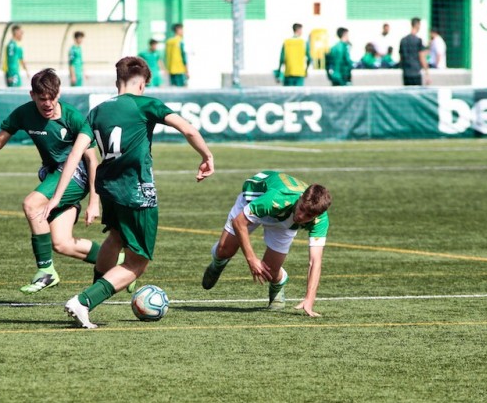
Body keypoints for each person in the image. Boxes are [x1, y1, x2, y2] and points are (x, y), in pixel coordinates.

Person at [42, 56, 214, 329]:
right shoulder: (146, 104)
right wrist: (206, 156)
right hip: (137, 192)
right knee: (138, 261)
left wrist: (55, 197)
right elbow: (188, 129)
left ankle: (95, 295)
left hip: (108, 189)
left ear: (116, 82)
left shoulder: (97, 111)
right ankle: (84, 301)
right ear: (143, 84)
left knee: (116, 237)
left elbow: (76, 154)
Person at [0, 69, 102, 294]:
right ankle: (117, 261)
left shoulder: (72, 117)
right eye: (42, 99)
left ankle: (46, 271)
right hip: (52, 175)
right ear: (32, 95)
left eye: (52, 97)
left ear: (58, 94)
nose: (47, 103)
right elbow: (0, 140)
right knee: (62, 243)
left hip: (76, 175)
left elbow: (92, 160)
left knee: (31, 204)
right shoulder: (24, 113)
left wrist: (94, 202)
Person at [201, 171, 332, 317]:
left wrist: (309, 298)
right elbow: (239, 223)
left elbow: (315, 261)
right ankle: (218, 263)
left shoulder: (320, 219)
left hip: (284, 222)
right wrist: (251, 259)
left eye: (309, 215)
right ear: (301, 198)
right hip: (254, 203)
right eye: (302, 209)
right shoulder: (277, 197)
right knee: (224, 251)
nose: (301, 217)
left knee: (269, 271)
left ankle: (279, 282)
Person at [399, 17, 430, 86]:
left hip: (406, 72)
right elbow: (422, 57)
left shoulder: (403, 40)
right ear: (417, 25)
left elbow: (401, 57)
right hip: (416, 72)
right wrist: (427, 74)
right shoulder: (418, 40)